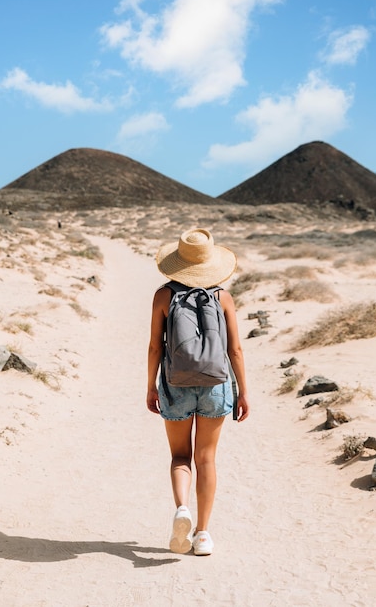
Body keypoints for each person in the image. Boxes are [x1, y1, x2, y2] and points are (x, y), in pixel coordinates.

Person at [146, 228, 249, 556]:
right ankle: (202, 534)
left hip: (175, 383)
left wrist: (151, 386)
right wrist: (243, 392)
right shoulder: (223, 297)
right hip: (216, 385)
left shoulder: (163, 296)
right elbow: (235, 350)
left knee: (180, 457)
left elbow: (154, 348)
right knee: (207, 459)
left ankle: (181, 510)